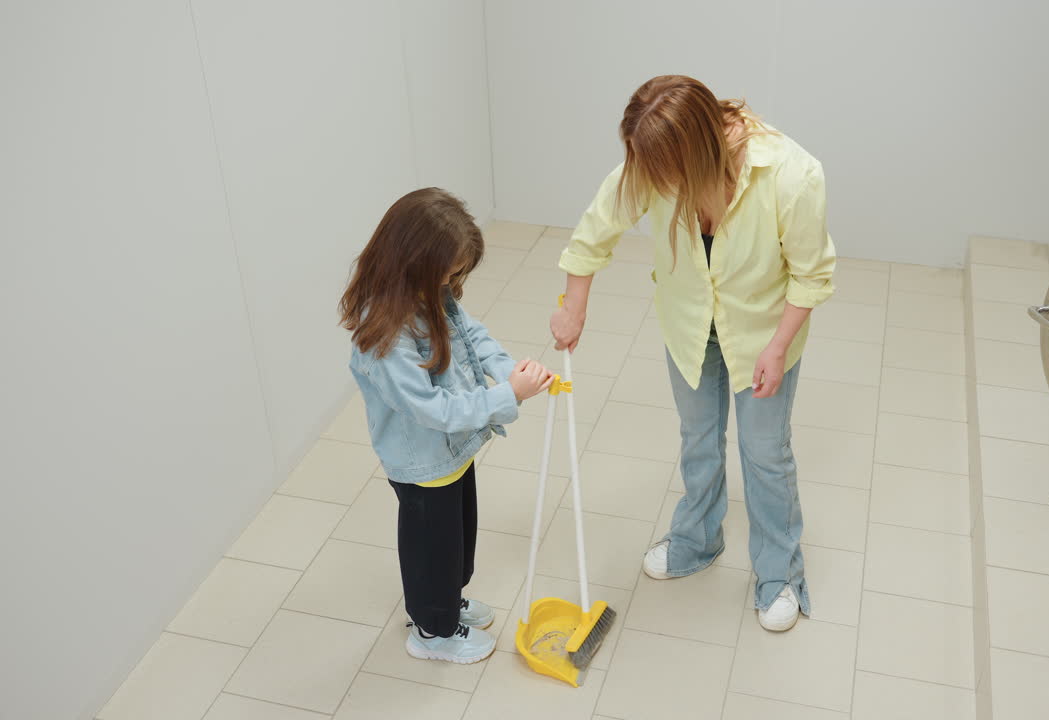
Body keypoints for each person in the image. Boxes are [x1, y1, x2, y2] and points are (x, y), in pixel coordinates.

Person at [550, 76, 836, 632]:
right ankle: (697, 539)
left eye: (664, 174)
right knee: (698, 438)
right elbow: (596, 228)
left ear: (699, 149)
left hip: (762, 333)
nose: (654, 184)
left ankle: (779, 574)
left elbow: (813, 274)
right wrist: (574, 306)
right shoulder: (656, 159)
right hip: (687, 325)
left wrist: (778, 348)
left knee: (765, 453)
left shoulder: (791, 175)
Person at [340, 188, 554, 663]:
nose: (452, 282)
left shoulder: (427, 293)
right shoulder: (385, 335)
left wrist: (505, 368)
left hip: (451, 453)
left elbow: (470, 333)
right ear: (414, 260)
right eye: (449, 272)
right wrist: (507, 396)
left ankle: (446, 602)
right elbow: (432, 408)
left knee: (456, 539)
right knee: (430, 549)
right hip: (424, 460)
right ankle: (432, 630)